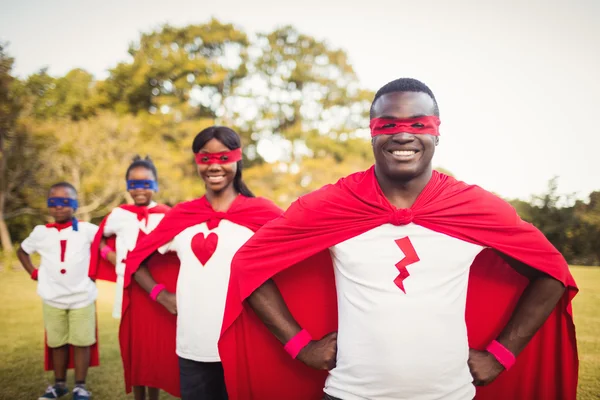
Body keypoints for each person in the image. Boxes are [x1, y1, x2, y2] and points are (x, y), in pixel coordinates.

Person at [219, 78, 579, 400]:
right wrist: (300, 346)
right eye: (388, 124)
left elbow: (551, 272)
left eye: (418, 124)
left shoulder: (473, 206)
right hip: (349, 393)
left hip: (449, 393)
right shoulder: (333, 203)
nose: (403, 135)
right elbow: (249, 262)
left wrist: (502, 354)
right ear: (372, 133)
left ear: (437, 133)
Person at [123, 126, 282, 400]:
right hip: (192, 344)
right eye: (205, 158)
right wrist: (161, 296)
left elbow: (298, 252)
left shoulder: (262, 213)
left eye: (223, 157)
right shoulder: (183, 214)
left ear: (237, 159)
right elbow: (136, 258)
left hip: (245, 342)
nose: (213, 166)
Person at [88, 156, 179, 399]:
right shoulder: (119, 214)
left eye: (146, 184)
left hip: (158, 289)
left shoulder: (166, 215)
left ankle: (154, 396)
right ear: (127, 186)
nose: (140, 189)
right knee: (136, 347)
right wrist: (112, 256)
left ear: (156, 185)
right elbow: (99, 239)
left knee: (156, 347)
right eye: (134, 184)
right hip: (130, 290)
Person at [17, 182, 99, 400]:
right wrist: (34, 273)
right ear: (48, 206)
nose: (59, 207)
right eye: (53, 202)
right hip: (52, 297)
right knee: (57, 342)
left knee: (82, 342)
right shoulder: (40, 232)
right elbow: (23, 251)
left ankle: (80, 386)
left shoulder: (87, 229)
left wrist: (95, 272)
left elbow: (106, 244)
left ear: (75, 204)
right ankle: (59, 384)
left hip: (82, 297)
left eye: (65, 202)